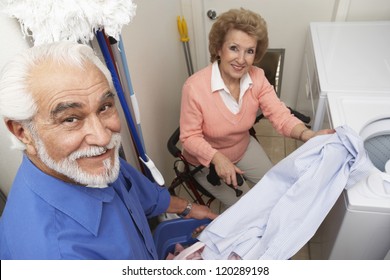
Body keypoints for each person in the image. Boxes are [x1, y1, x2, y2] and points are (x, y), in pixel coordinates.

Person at [0, 41, 217, 260]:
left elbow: (141, 193)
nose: (103, 138)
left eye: (104, 108)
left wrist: (187, 207)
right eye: (71, 119)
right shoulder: (57, 256)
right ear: (22, 132)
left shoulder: (89, 161)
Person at [179, 8, 334, 209]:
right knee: (248, 205)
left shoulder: (257, 77)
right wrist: (217, 158)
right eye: (234, 48)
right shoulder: (194, 88)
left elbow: (279, 114)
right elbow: (189, 137)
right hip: (206, 161)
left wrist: (307, 135)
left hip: (242, 147)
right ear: (218, 48)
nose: (241, 59)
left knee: (276, 187)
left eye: (249, 51)